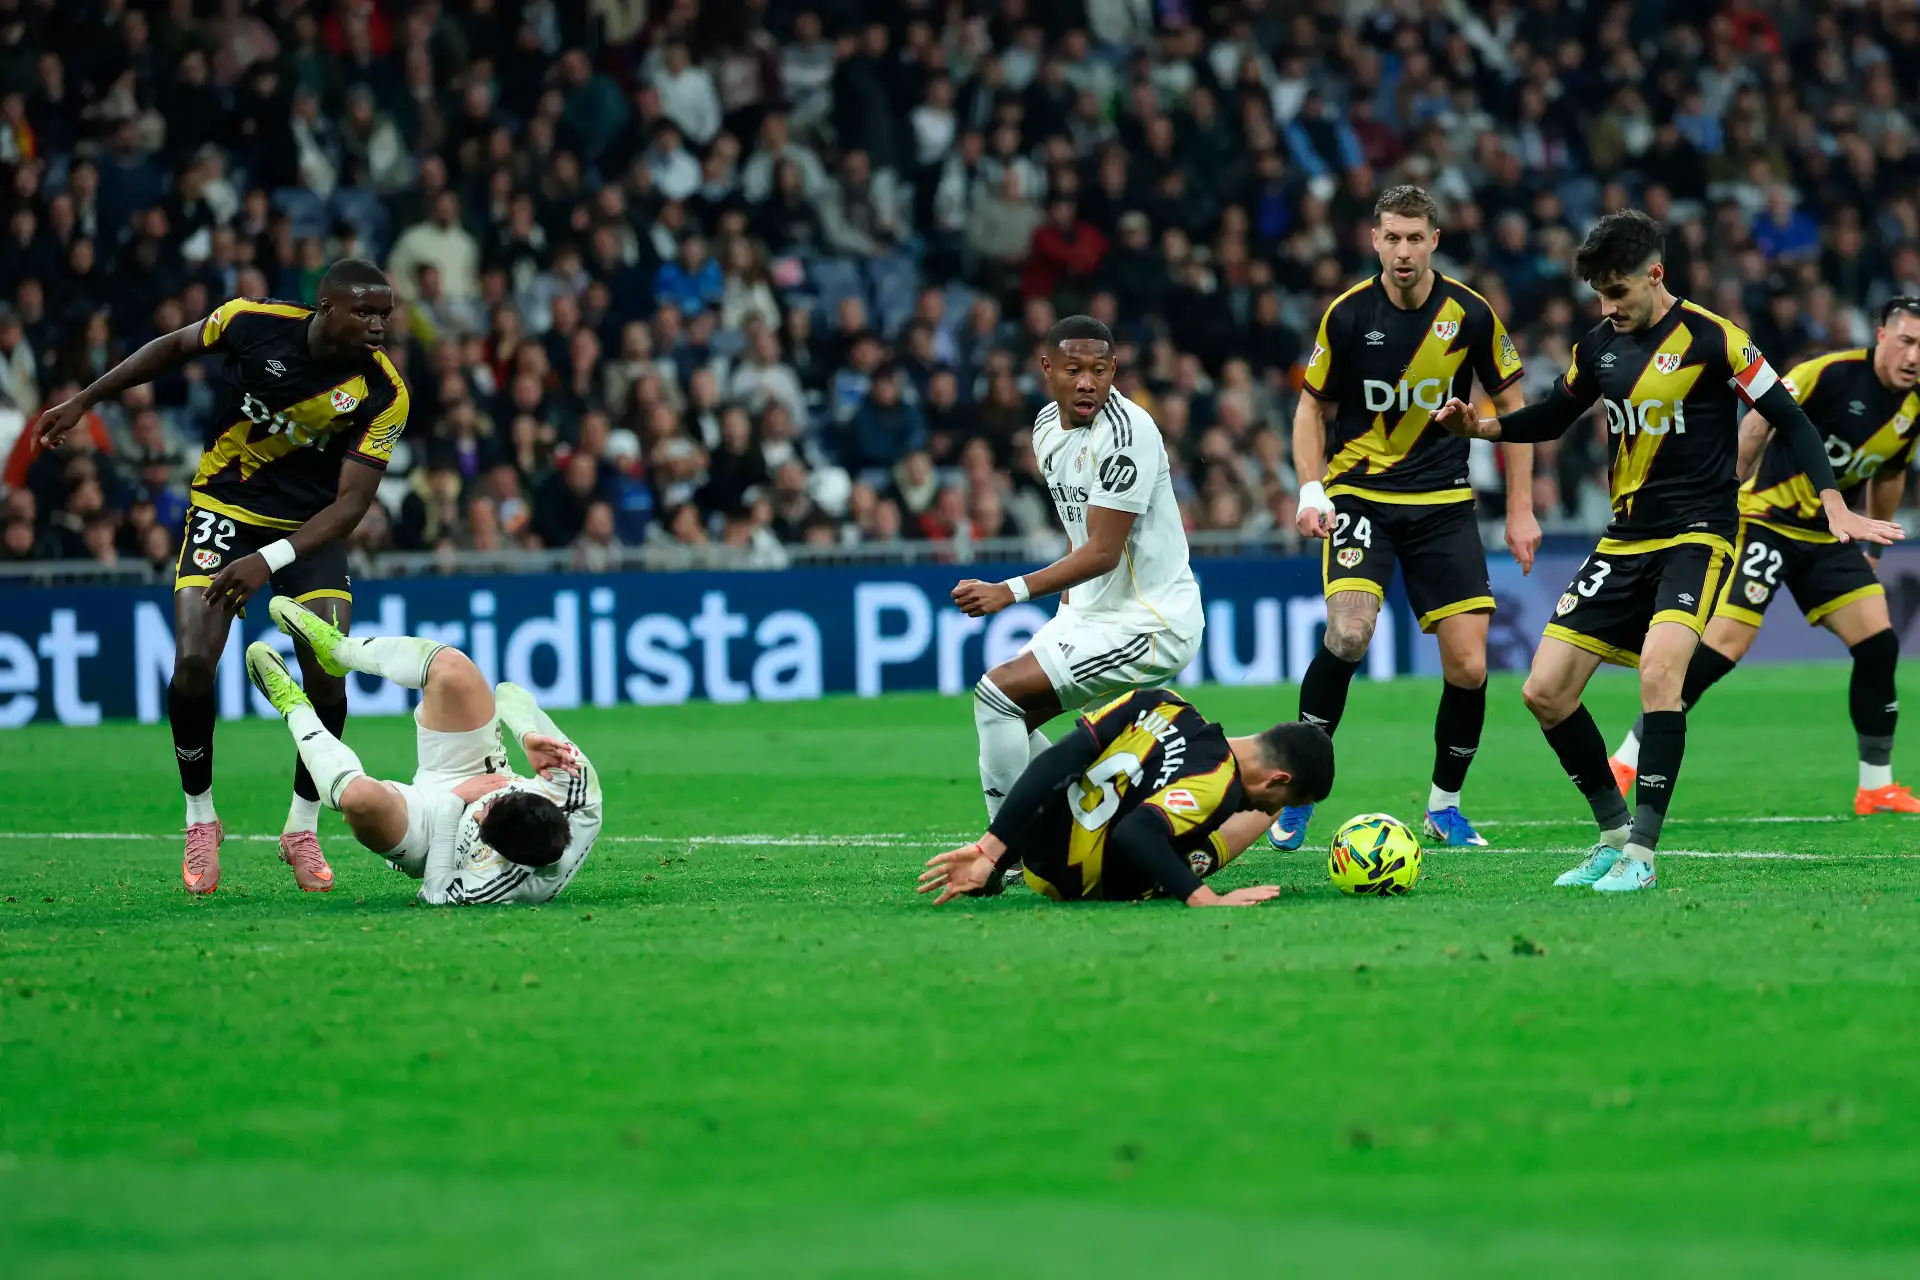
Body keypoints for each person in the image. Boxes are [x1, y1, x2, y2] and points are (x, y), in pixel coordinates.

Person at [1433, 211, 1902, 892]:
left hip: (1699, 536)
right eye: (1598, 294)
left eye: (1617, 292)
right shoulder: (1598, 345)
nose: (1607, 307)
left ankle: (1643, 857)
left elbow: (1790, 419)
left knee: (1661, 674)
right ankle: (1613, 835)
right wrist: (1480, 425)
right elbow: (1555, 416)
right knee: (1544, 693)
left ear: (1656, 275)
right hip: (1625, 537)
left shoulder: (1716, 339)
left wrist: (1835, 505)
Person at [33, 259, 408, 896]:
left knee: (328, 671)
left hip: (308, 532)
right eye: (364, 313)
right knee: (193, 667)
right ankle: (201, 819)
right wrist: (83, 401)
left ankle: (302, 827)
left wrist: (271, 561)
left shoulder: (384, 393)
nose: (378, 325)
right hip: (224, 509)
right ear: (326, 307)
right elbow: (170, 349)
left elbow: (351, 506)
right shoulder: (250, 322)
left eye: (384, 315)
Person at [1272, 185, 1537, 854]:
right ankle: (1300, 788)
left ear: (1434, 242)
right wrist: (1311, 488)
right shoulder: (1347, 315)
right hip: (1360, 496)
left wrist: (1521, 509)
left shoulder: (1471, 316)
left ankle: (1445, 807)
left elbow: (1516, 408)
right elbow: (1311, 408)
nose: (1403, 250)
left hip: (1444, 503)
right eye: (1391, 237)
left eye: (1415, 237)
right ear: (1374, 241)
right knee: (1350, 633)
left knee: (1471, 667)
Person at [1609, 298, 1920, 813]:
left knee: (1878, 643)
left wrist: (1872, 548)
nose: (1914, 356)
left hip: (1828, 535)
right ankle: (1625, 758)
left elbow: (1888, 473)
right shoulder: (1830, 374)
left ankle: (1876, 786)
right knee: (1721, 649)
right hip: (1765, 521)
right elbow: (1759, 422)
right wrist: (1723, 501)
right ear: (1882, 337)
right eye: (1907, 341)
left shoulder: (1913, 408)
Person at [951, 316, 1205, 831]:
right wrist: (1068, 613)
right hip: (1092, 612)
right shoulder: (1045, 428)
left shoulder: (1129, 434)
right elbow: (1077, 526)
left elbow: (1103, 551)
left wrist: (1010, 591)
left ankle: (1004, 852)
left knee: (997, 694)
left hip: (1150, 622)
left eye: (1099, 370)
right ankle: (1095, 810)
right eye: (1073, 370)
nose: (1087, 382)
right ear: (1047, 369)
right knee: (1002, 711)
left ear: (1114, 370)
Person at [246, 597, 602, 906]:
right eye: (496, 805)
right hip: (483, 766)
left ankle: (293, 706)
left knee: (360, 799)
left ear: (503, 856)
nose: (481, 812)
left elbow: (434, 891)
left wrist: (455, 801)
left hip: (432, 833)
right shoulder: (577, 791)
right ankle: (340, 651)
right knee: (452, 669)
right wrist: (527, 735)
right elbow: (509, 691)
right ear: (534, 797)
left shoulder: (499, 885)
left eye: (485, 823)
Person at [917, 688, 1334, 907]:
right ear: (1279, 778)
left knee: (1080, 760)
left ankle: (995, 865)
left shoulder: (1161, 702)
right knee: (1195, 839)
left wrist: (991, 851)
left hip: (1037, 847)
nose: (1263, 809)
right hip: (1077, 882)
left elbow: (1058, 761)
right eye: (1275, 801)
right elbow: (1136, 833)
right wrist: (1205, 898)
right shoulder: (1219, 784)